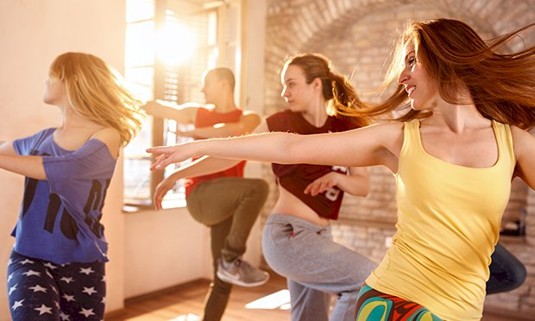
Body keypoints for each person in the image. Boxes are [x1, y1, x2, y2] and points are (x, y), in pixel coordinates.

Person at [147, 19, 535, 321]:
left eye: (412, 61)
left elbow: (359, 185)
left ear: (447, 57)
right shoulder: (398, 137)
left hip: (456, 307)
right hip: (385, 296)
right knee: (350, 286)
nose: (402, 77)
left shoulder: (514, 141)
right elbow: (287, 147)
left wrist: (338, 178)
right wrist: (195, 148)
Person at [151, 53, 377, 321]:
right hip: (288, 235)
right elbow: (230, 153)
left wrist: (339, 179)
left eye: (291, 84)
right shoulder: (280, 123)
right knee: (367, 282)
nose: (284, 92)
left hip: (320, 237)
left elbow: (362, 185)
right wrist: (178, 174)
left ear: (316, 84)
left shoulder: (344, 127)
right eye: (284, 85)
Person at [2, 52, 144, 321]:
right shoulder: (40, 139)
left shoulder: (105, 135)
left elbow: (67, 170)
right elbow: (4, 152)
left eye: (52, 75)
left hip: (83, 265)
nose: (45, 81)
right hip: (29, 257)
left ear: (73, 80)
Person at [143, 67, 270, 321]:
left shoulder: (250, 118)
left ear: (224, 84)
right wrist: (135, 101)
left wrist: (194, 136)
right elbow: (162, 109)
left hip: (229, 204)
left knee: (222, 278)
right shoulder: (196, 112)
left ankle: (227, 268)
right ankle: (232, 257)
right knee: (258, 187)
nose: (202, 90)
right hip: (201, 196)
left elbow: (232, 130)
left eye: (207, 84)